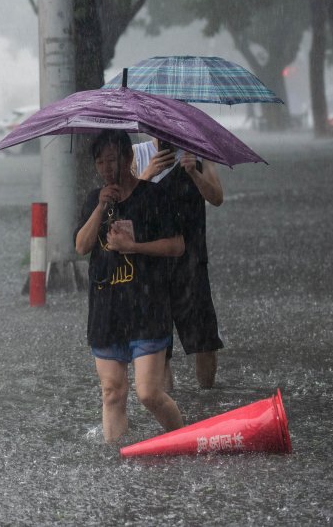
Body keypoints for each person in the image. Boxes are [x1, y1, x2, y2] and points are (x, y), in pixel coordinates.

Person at [75, 130, 186, 443]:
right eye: (100, 162)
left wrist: (135, 247)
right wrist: (99, 208)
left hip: (147, 308)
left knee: (149, 393)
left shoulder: (154, 196)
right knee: (112, 392)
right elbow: (81, 246)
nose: (107, 168)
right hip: (106, 311)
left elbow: (177, 245)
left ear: (128, 158)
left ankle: (184, 441)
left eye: (112, 160)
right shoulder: (93, 201)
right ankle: (116, 463)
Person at [133, 137, 224, 390]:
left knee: (204, 341)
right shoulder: (137, 154)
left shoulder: (200, 150)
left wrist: (194, 172)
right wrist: (148, 173)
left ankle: (207, 403)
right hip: (150, 266)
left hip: (192, 263)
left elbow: (217, 197)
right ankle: (171, 415)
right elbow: (125, 208)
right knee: (159, 349)